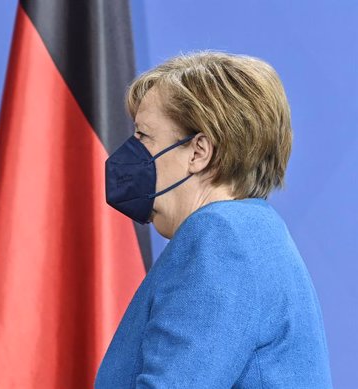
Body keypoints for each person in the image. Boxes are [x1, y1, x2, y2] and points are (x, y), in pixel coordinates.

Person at [97, 52, 332, 388]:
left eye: (143, 136)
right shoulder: (256, 232)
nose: (129, 153)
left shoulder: (222, 238)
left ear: (198, 151)